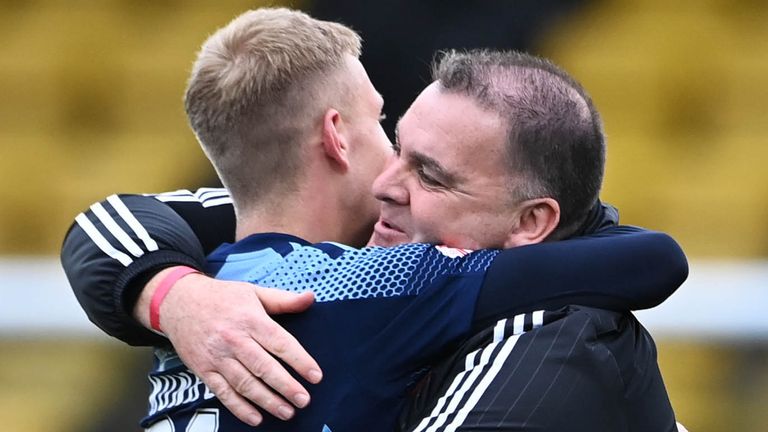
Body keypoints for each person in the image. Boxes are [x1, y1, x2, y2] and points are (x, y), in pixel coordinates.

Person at [61, 8, 687, 431]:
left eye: (429, 174)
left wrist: (173, 295)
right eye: (388, 131)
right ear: (337, 136)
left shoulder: (211, 268)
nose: (390, 182)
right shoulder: (380, 281)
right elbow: (653, 260)